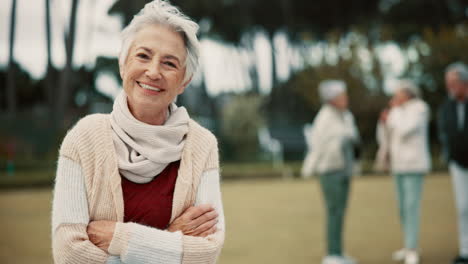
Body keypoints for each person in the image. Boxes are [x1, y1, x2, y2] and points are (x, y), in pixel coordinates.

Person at [51, 1, 224, 263]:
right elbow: (69, 254)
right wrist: (171, 238)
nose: (153, 72)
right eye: (143, 56)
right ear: (123, 65)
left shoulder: (201, 145)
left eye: (169, 63)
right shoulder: (83, 138)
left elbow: (207, 252)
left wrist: (121, 238)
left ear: (184, 82)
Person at [302, 80, 360, 264]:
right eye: (341, 96)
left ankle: (339, 252)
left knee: (341, 211)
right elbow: (316, 145)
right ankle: (332, 255)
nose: (345, 99)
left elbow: (353, 140)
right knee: (334, 211)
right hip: (329, 171)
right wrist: (309, 168)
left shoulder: (346, 116)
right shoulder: (324, 117)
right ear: (332, 99)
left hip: (345, 170)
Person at [378, 79, 430, 264]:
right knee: (402, 208)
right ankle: (409, 243)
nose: (395, 97)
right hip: (397, 166)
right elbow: (385, 134)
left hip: (414, 166)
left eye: (398, 93)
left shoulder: (420, 108)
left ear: (408, 94)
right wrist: (385, 122)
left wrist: (392, 116)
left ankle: (412, 249)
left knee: (411, 207)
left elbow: (406, 130)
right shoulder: (396, 111)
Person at [438, 62, 468, 264]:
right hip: (458, 164)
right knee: (463, 207)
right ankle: (466, 250)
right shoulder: (446, 107)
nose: (450, 87)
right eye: (448, 83)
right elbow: (445, 133)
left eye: (454, 83)